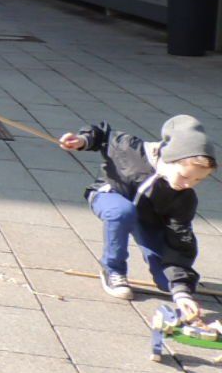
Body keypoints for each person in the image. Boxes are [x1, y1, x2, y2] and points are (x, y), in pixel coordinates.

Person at [58, 115, 215, 309]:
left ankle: (175, 284)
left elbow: (180, 241)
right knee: (123, 212)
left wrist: (181, 291)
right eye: (184, 176)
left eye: (198, 180)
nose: (188, 184)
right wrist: (83, 140)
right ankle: (113, 271)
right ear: (170, 159)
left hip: (147, 218)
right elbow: (104, 136)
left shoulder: (184, 198)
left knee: (168, 283)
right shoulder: (130, 148)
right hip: (110, 195)